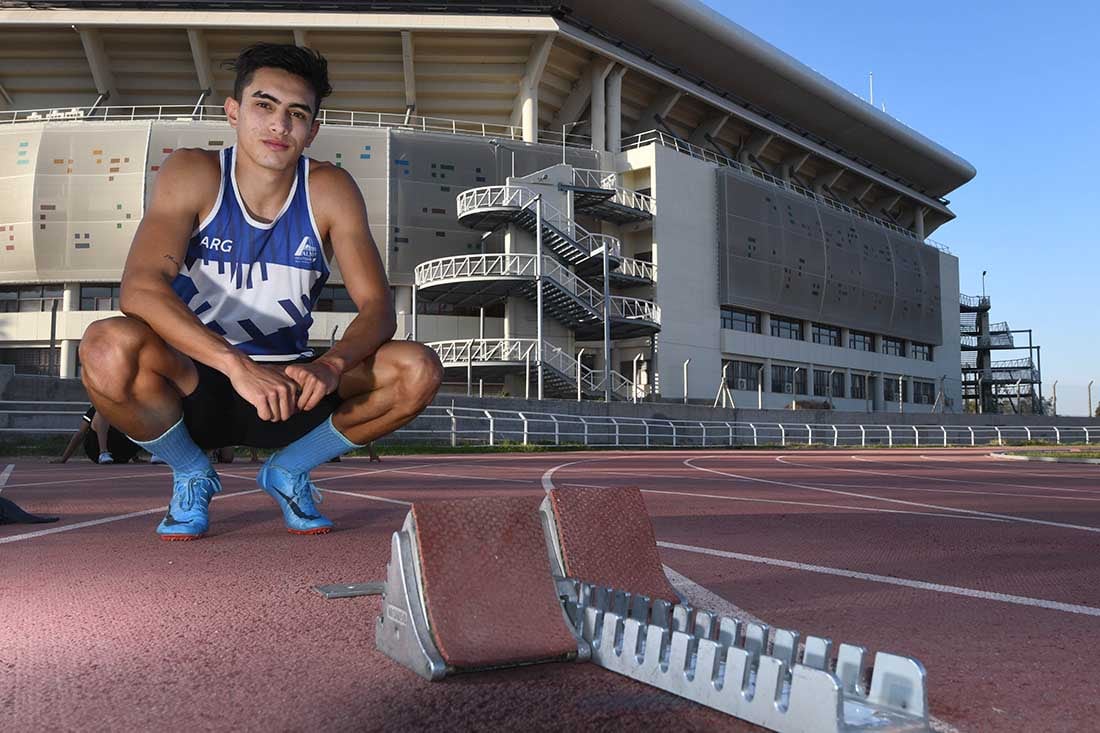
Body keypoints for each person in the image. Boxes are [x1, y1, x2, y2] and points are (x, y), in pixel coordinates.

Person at [78, 44, 442, 541]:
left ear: (313, 130)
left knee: (416, 368)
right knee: (105, 345)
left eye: (297, 114)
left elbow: (379, 309)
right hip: (196, 385)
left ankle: (290, 470)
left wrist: (330, 365)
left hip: (289, 385)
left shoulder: (330, 189)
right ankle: (191, 473)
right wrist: (235, 366)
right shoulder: (194, 172)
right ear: (233, 111)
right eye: (264, 106)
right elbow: (140, 289)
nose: (279, 125)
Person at [52, 406, 142, 465]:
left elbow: (132, 432)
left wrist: (135, 457)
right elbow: (81, 433)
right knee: (102, 410)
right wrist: (63, 459)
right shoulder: (97, 407)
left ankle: (156, 453)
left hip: (122, 454)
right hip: (95, 450)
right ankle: (103, 453)